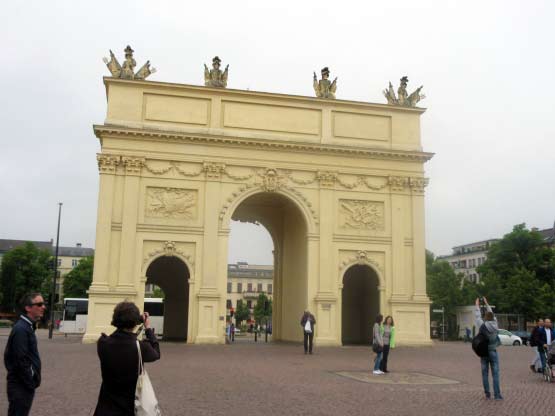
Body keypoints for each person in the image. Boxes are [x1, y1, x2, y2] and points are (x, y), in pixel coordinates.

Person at [94, 301, 160, 415]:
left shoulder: (103, 343)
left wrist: (131, 322)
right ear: (135, 322)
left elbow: (117, 336)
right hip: (130, 409)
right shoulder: (140, 347)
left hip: (105, 409)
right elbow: (156, 353)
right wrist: (147, 328)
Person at [4, 292, 47, 416]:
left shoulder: (26, 327)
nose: (43, 307)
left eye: (43, 304)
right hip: (20, 386)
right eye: (39, 304)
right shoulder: (22, 329)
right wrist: (31, 379)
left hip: (22, 385)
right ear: (28, 308)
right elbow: (20, 360)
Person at [474, 297, 502, 400]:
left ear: (485, 318)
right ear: (493, 317)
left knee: (485, 374)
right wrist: (486, 303)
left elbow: (477, 317)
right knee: (495, 374)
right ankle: (497, 395)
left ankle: (487, 394)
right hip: (493, 351)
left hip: (484, 352)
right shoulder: (495, 324)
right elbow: (491, 313)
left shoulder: (482, 325)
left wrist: (477, 305)